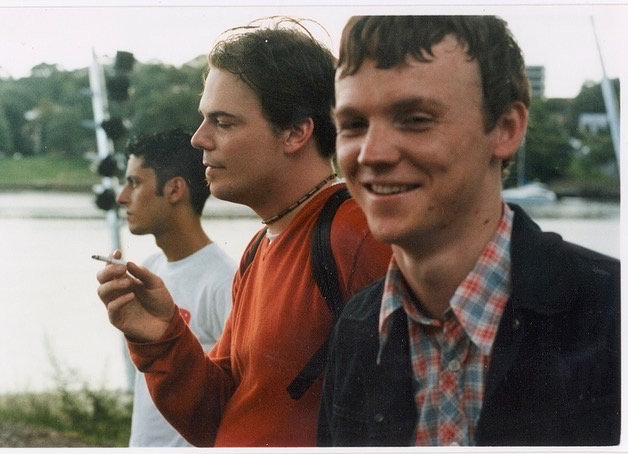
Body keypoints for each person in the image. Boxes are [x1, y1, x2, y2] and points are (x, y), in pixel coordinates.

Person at [318, 15, 620, 447]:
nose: (371, 153)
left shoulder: (611, 315)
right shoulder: (356, 328)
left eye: (415, 119)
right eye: (353, 125)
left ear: (506, 129)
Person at [96, 19, 391, 447]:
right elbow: (220, 417)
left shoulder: (358, 234)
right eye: (204, 119)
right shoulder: (259, 246)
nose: (199, 139)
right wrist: (161, 338)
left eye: (223, 122)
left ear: (296, 132)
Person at [115, 129, 236, 447]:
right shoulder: (150, 270)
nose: (122, 197)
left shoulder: (223, 281)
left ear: (174, 189)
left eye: (134, 183)